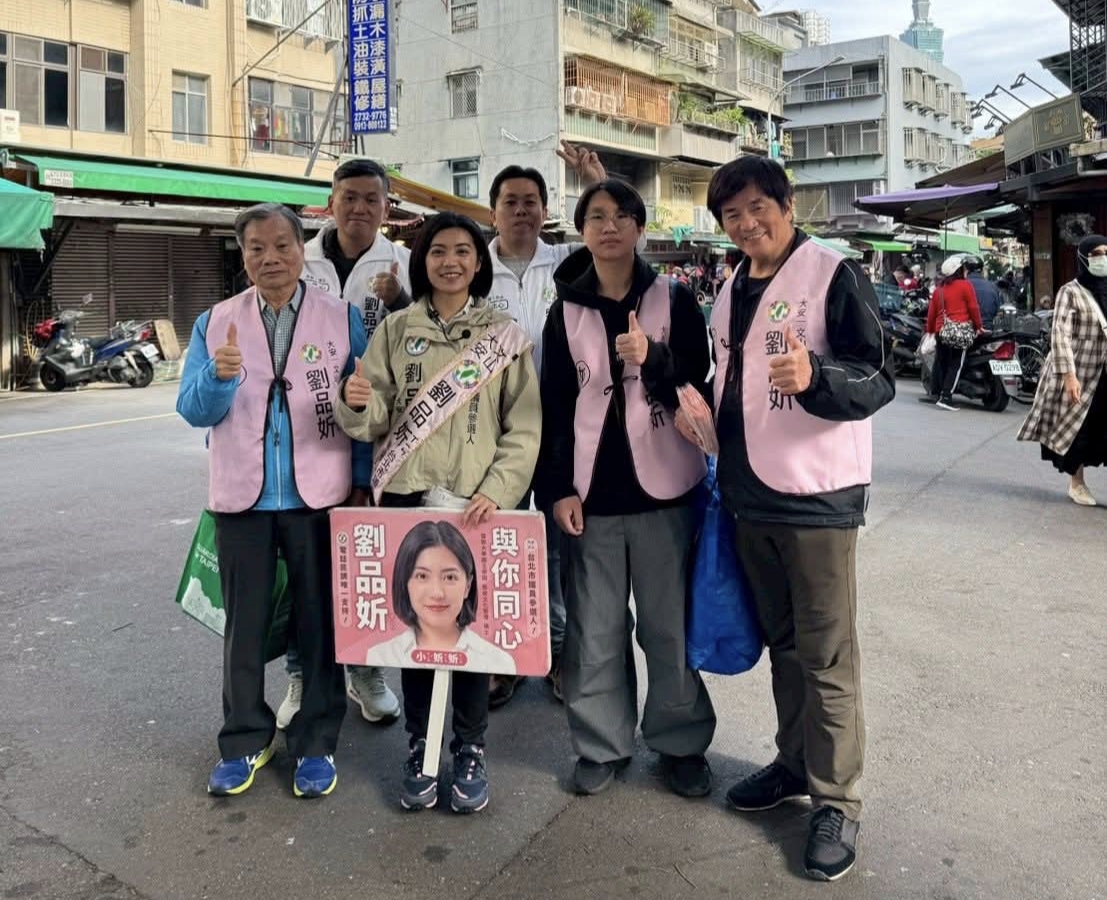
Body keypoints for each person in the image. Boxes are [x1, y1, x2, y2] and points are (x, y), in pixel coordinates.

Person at [687, 157, 893, 882]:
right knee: (784, 646)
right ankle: (793, 763)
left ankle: (838, 800)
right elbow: (730, 380)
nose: (745, 225)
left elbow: (878, 375)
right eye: (731, 216)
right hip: (747, 496)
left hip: (815, 498)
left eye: (755, 208)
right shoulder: (728, 285)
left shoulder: (831, 273)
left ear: (785, 203)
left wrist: (817, 379)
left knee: (827, 655)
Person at [335, 212, 541, 814]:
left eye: (462, 252)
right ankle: (421, 745)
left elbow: (523, 426)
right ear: (420, 261)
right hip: (405, 497)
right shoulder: (397, 331)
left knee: (468, 633)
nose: (449, 262)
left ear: (479, 263)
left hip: (475, 505)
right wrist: (358, 404)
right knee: (418, 633)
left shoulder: (504, 333)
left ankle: (470, 748)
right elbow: (373, 416)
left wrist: (500, 491)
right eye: (437, 252)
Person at [177, 203, 369, 799]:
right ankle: (244, 739)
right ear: (244, 256)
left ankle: (316, 742)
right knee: (245, 628)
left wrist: (362, 482)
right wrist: (219, 376)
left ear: (301, 248)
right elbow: (192, 411)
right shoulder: (215, 322)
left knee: (319, 626)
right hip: (242, 498)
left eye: (283, 245)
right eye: (257, 248)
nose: (271, 259)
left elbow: (365, 409)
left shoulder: (342, 317)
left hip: (321, 495)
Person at [539, 178, 717, 801]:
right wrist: (558, 489)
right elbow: (554, 408)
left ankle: (680, 742)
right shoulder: (564, 312)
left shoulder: (677, 299)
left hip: (666, 492)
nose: (608, 226)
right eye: (595, 216)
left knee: (669, 626)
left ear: (640, 227)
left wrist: (655, 358)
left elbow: (701, 389)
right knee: (594, 628)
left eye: (621, 215)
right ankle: (601, 744)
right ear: (582, 230)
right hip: (592, 498)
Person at [277, 158, 407, 733]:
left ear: (386, 206)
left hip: (381, 435)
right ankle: (302, 673)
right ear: (330, 202)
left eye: (370, 199)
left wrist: (401, 300)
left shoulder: (403, 264)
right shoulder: (294, 257)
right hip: (303, 440)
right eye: (348, 197)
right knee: (304, 570)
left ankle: (367, 671)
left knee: (365, 567)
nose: (359, 208)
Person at [482, 141, 605, 708]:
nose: (523, 211)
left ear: (544, 209)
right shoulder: (472, 266)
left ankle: (558, 653)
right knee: (498, 545)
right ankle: (501, 656)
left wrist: (594, 181)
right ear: (494, 211)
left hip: (558, 428)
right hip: (490, 433)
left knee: (561, 546)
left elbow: (613, 245)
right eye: (512, 202)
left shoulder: (563, 262)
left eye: (532, 202)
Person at [1017, 235, 1107, 506]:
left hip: (1104, 373)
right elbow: (1060, 335)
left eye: (1106, 252)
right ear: (1083, 258)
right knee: (1080, 430)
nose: (1102, 258)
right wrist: (1069, 375)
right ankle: (1077, 483)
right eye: (1096, 253)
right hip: (1080, 372)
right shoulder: (1071, 291)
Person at [369, 521, 516, 673]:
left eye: (450, 577)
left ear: (468, 585)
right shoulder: (380, 654)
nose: (437, 593)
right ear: (405, 583)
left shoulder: (498, 661)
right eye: (422, 576)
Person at [925, 255, 983, 411]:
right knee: (955, 365)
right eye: (963, 268)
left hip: (941, 331)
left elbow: (931, 313)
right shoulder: (966, 286)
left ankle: (936, 393)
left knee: (942, 362)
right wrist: (979, 327)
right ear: (958, 270)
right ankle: (946, 397)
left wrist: (930, 330)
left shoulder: (939, 290)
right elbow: (973, 308)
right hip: (959, 331)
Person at [963, 255, 1002, 328]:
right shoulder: (993, 286)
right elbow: (999, 311)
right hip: (989, 330)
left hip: (967, 331)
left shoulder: (961, 285)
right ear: (982, 270)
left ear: (966, 270)